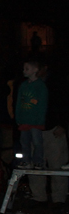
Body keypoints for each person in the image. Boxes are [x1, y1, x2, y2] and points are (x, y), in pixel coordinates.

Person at [29, 65, 69, 204]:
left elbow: (64, 103)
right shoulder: (28, 84)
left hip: (54, 129)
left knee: (57, 164)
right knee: (36, 164)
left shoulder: (57, 82)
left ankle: (59, 199)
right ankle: (38, 196)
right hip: (35, 129)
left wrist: (63, 124)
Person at [15, 60, 48, 169]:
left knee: (37, 142)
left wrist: (40, 119)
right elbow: (19, 102)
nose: (24, 71)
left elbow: (43, 103)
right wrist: (18, 117)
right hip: (25, 120)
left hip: (35, 121)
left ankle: (38, 161)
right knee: (24, 142)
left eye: (27, 69)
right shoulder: (23, 85)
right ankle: (26, 160)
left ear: (35, 70)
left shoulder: (40, 86)